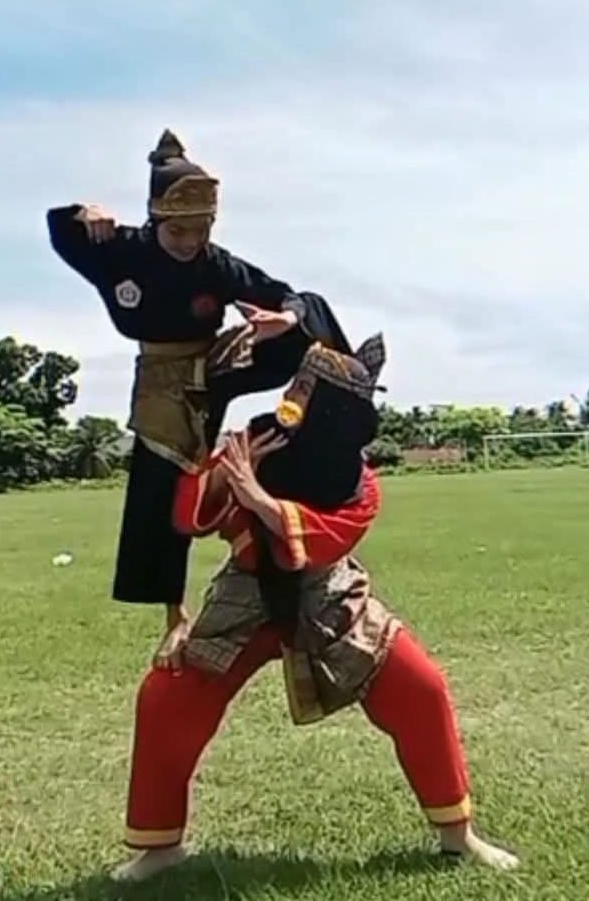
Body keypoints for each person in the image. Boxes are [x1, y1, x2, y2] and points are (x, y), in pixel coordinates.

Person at [113, 337, 520, 884]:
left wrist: (260, 499)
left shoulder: (359, 484)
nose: (290, 394)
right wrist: (227, 474)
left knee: (420, 689)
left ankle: (457, 835)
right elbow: (194, 514)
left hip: (328, 592)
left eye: (305, 388)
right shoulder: (255, 438)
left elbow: (325, 544)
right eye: (294, 383)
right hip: (247, 590)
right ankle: (159, 847)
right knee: (167, 696)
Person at [47, 129, 350, 658]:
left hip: (217, 365)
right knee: (162, 488)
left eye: (200, 231)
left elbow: (287, 293)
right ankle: (174, 612)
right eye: (178, 231)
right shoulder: (122, 251)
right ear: (157, 221)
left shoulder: (216, 264)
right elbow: (59, 230)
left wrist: (286, 317)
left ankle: (331, 430)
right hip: (162, 381)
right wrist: (82, 212)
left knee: (308, 320)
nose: (189, 243)